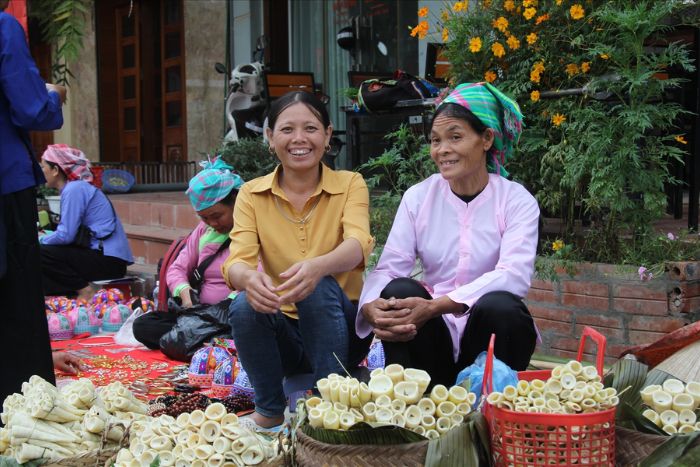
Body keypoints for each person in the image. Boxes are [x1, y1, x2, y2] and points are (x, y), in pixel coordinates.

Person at [357, 82, 539, 387]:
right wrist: (371, 305)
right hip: (430, 335)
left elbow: (514, 275)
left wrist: (436, 305)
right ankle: (416, 409)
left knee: (502, 306)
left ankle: (493, 410)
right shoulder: (418, 197)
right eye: (435, 140)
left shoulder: (516, 200)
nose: (442, 150)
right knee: (398, 292)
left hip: (486, 331)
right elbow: (390, 267)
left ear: (486, 139)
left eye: (455, 137)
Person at [224, 91, 374, 430]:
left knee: (317, 285)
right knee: (245, 304)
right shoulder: (251, 194)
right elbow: (236, 264)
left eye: (310, 128)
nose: (299, 139)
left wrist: (318, 266)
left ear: (327, 135)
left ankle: (328, 410)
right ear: (269, 137)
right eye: (287, 129)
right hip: (286, 337)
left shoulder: (350, 184)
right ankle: (269, 412)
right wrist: (249, 280)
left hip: (343, 329)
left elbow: (358, 244)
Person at [0, 0, 66, 411]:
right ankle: (23, 409)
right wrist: (55, 94)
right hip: (5, 182)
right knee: (15, 299)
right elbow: (32, 107)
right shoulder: (3, 28)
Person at [132, 158, 244, 349]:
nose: (212, 224)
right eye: (204, 217)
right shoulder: (204, 231)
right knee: (144, 325)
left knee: (245, 326)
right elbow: (177, 269)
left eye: (217, 216)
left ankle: (195, 343)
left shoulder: (252, 230)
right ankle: (206, 344)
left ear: (236, 201)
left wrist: (227, 304)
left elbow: (258, 276)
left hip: (233, 315)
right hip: (199, 314)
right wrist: (185, 294)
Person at [39, 144, 133, 300]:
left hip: (108, 261)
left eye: (43, 167)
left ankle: (83, 290)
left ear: (55, 170)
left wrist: (41, 239)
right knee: (44, 255)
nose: (41, 171)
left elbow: (65, 236)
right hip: (103, 257)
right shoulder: (75, 188)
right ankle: (66, 301)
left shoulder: (74, 189)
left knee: (40, 252)